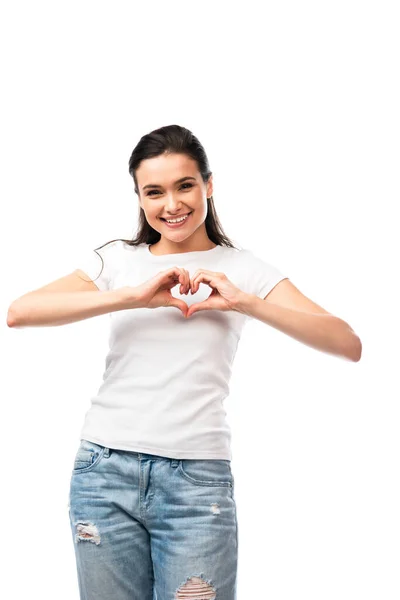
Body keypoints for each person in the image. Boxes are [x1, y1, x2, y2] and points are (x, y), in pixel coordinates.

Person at [7, 124, 362, 600]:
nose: (171, 205)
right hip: (103, 471)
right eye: (154, 192)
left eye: (185, 186)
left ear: (209, 186)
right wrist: (132, 297)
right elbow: (20, 312)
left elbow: (347, 342)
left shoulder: (244, 269)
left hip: (197, 484)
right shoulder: (117, 261)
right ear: (139, 197)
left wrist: (243, 303)